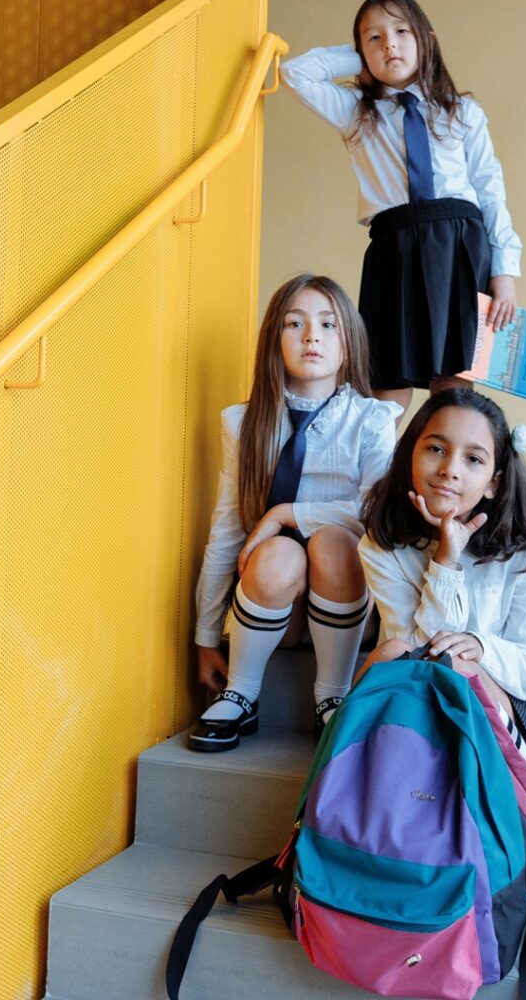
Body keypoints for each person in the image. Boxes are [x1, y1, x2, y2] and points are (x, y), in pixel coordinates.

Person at [357, 386, 526, 950]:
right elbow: (415, 645)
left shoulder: (518, 549)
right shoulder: (384, 544)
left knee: (462, 663)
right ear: (409, 456)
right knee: (417, 654)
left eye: (473, 459)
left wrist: (480, 647)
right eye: (435, 450)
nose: (449, 471)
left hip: (496, 709)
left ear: (494, 481)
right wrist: (444, 557)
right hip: (411, 708)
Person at [281, 0, 523, 411]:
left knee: (454, 384)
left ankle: (445, 472)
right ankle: (378, 475)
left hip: (460, 249)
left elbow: (490, 188)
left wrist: (504, 268)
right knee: (386, 385)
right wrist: (361, 58)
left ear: (426, 40)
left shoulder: (462, 112)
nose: (388, 43)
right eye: (372, 37)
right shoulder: (356, 112)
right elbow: (295, 73)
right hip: (395, 249)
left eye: (400, 31)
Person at [190, 274, 401, 753]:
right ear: (273, 339)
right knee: (277, 554)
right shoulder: (243, 423)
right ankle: (242, 691)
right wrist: (205, 636)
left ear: (349, 343)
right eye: (295, 323)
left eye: (328, 325)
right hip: (274, 609)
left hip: (347, 600)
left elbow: (375, 515)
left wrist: (287, 512)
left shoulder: (372, 419)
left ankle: (332, 698)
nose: (312, 336)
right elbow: (225, 532)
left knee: (330, 540)